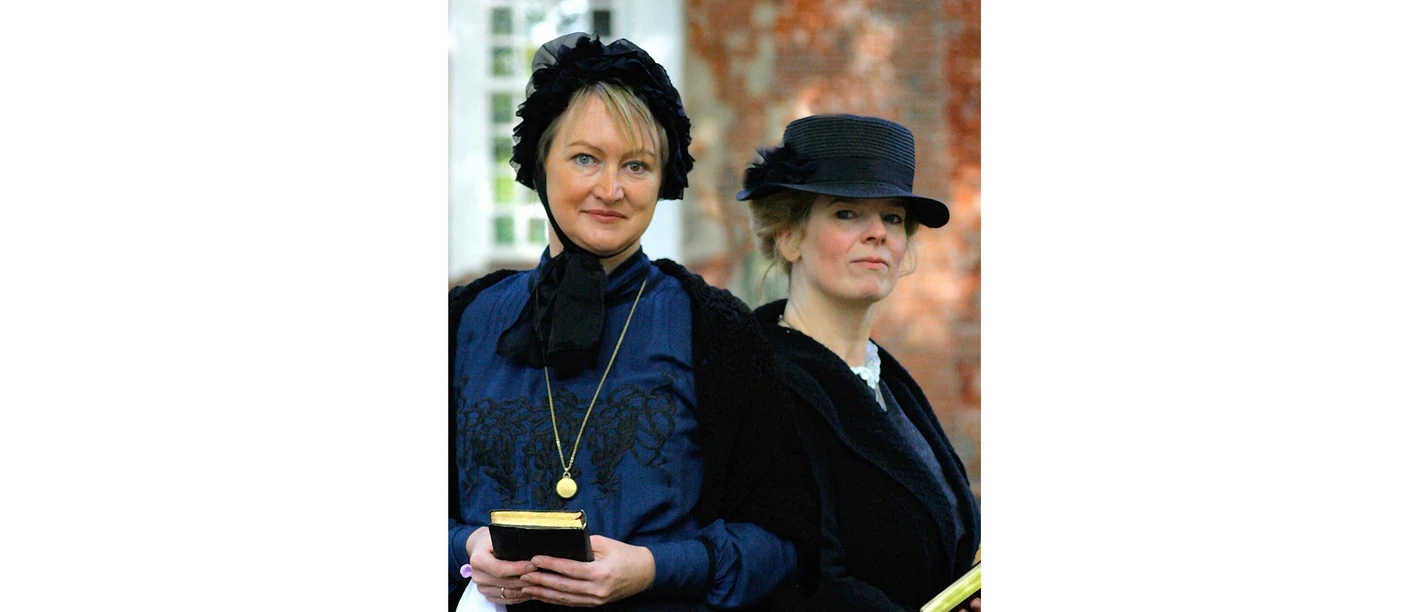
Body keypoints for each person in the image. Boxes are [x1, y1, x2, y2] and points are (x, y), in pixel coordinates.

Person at [449, 33, 817, 611]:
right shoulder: (463, 321)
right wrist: (465, 546)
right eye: (585, 158)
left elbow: (786, 536)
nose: (611, 190)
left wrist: (654, 568)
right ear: (539, 163)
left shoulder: (714, 328)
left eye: (637, 165)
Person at [739, 114, 982, 611]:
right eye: (847, 213)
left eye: (892, 217)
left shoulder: (888, 381)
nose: (877, 234)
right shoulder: (764, 382)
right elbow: (805, 580)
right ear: (788, 235)